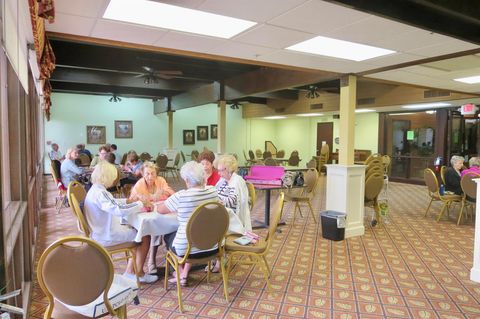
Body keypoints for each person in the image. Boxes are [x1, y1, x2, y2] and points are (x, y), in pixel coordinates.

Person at [84, 161, 158, 283]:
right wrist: (140, 204)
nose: (114, 180)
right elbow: (117, 210)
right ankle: (137, 273)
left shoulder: (95, 190)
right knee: (144, 235)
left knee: (137, 231)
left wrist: (128, 201)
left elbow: (112, 203)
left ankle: (131, 271)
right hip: (105, 235)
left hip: (98, 231)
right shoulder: (101, 193)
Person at [156, 161, 220, 286]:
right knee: (196, 232)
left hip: (189, 250)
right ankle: (184, 274)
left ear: (186, 179)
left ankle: (179, 272)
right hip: (212, 247)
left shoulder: (181, 196)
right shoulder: (213, 191)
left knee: (169, 236)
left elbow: (160, 210)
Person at [130, 161, 175, 273]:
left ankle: (153, 260)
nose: (150, 176)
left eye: (153, 173)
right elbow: (133, 199)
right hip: (145, 214)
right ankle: (151, 261)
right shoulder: (140, 184)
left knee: (159, 225)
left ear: (156, 173)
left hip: (159, 212)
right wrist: (153, 197)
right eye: (147, 174)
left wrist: (157, 195)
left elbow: (171, 193)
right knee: (155, 227)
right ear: (143, 174)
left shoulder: (161, 180)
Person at [214, 154, 252, 231]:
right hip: (222, 213)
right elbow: (215, 192)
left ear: (229, 169)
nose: (218, 173)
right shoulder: (223, 180)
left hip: (232, 220)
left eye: (220, 170)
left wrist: (215, 199)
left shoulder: (237, 181)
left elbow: (231, 202)